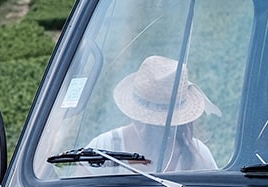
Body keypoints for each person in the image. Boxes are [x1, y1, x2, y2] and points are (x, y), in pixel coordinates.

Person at [87, 55, 220, 171]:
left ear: (175, 122)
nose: (144, 128)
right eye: (140, 118)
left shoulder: (198, 156)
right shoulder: (102, 149)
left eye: (154, 125)